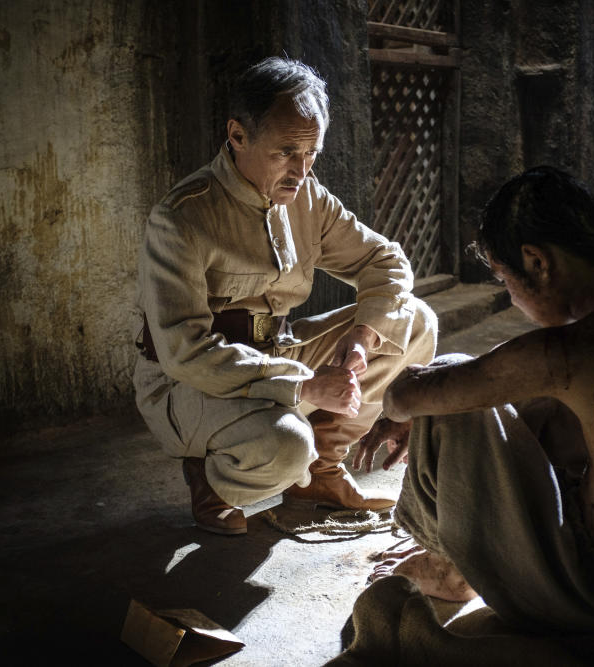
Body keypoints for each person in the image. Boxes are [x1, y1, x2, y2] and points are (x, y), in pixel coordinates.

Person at [354, 165, 594, 632]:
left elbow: (405, 396)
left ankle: (452, 563)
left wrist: (402, 411)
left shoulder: (571, 351)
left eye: (506, 282)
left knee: (446, 379)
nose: (511, 299)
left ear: (537, 262)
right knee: (532, 405)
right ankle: (461, 553)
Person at [133, 57, 437, 536]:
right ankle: (215, 482)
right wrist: (303, 386)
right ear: (237, 136)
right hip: (190, 382)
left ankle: (321, 474)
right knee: (286, 445)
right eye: (286, 153)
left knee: (414, 323)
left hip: (275, 349)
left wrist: (362, 338)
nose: (301, 170)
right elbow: (183, 352)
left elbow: (387, 262)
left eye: (311, 152)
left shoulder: (309, 198)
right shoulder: (182, 219)